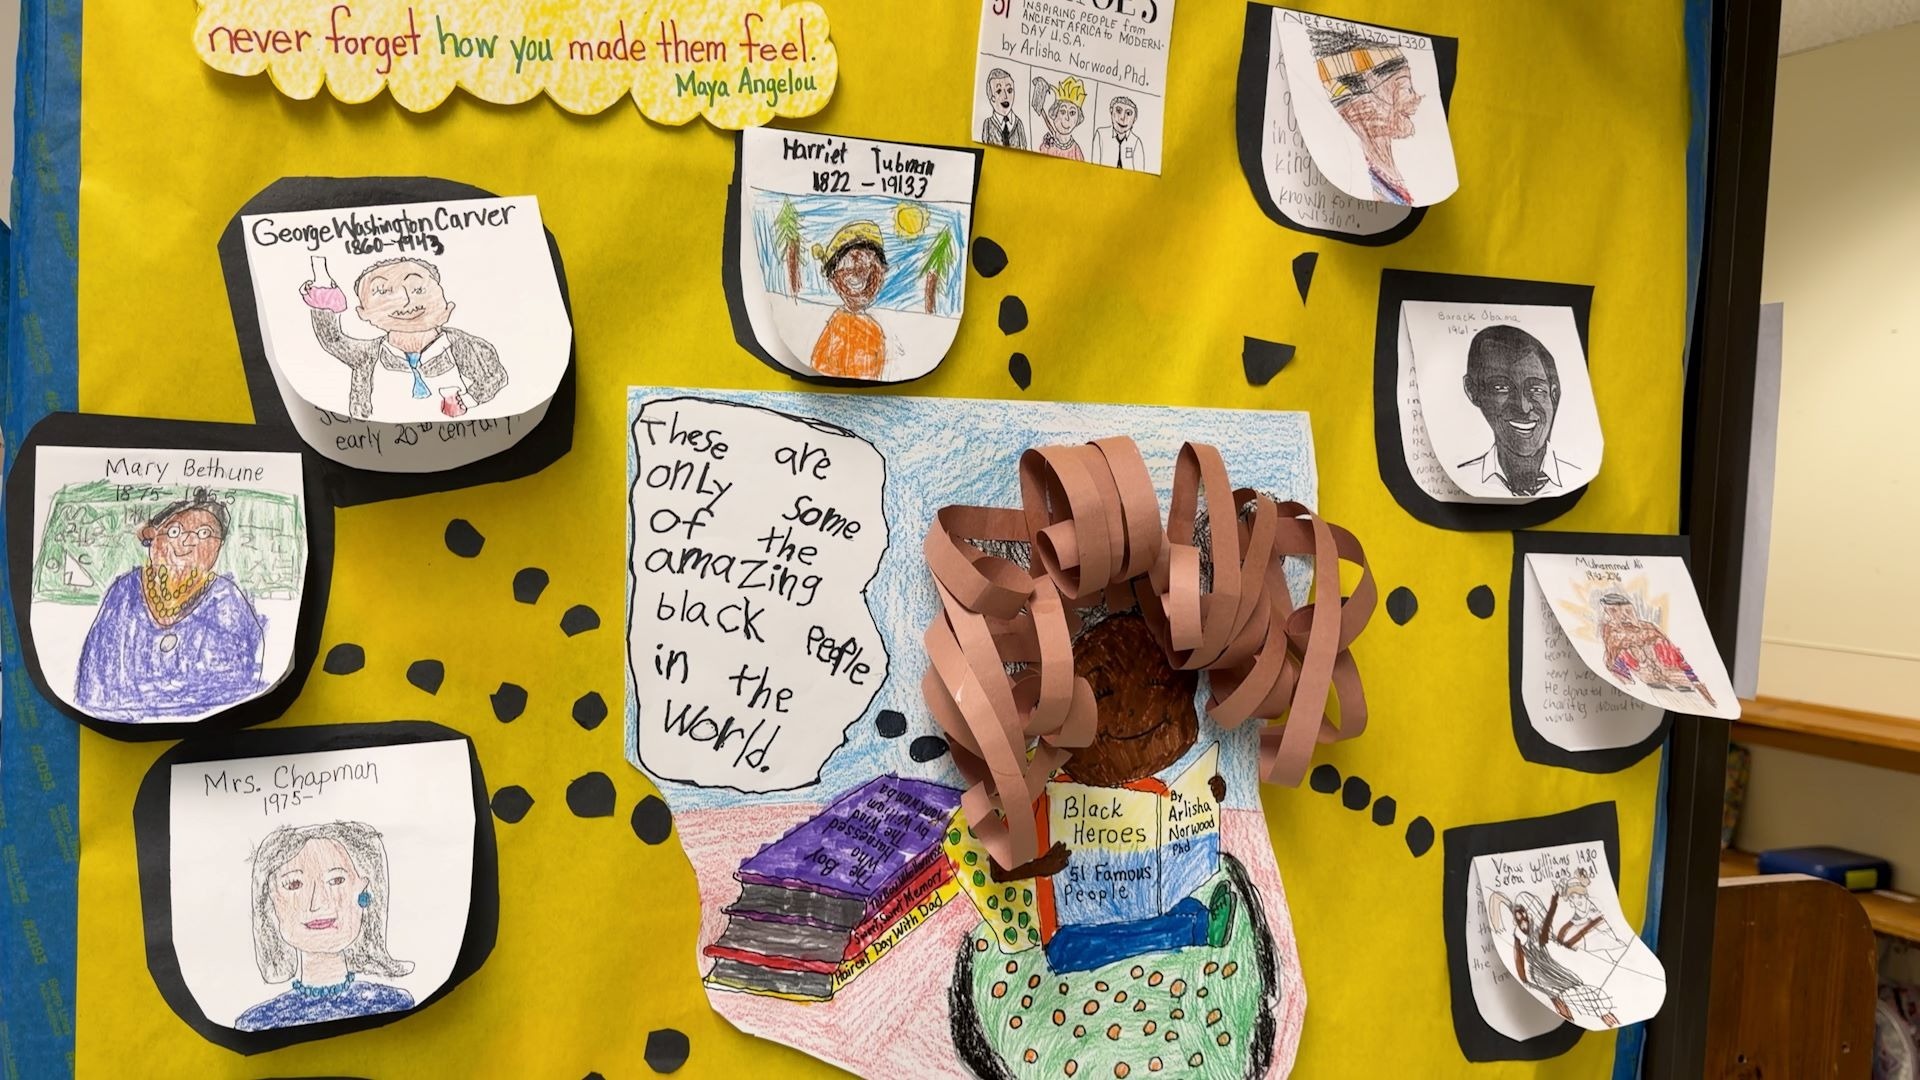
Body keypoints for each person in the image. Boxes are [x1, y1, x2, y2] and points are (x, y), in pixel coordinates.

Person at [73, 490, 266, 721]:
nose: (188, 541)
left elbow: (238, 688)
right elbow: (95, 681)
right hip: (122, 721)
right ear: (151, 538)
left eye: (205, 533)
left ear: (219, 545)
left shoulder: (228, 599)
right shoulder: (124, 592)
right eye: (174, 531)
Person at [235, 821, 416, 1031]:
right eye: (294, 884)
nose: (318, 902)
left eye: (336, 880)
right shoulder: (256, 1024)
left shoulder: (395, 1006)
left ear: (363, 891)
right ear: (272, 902)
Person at [301, 258, 506, 420]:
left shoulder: (462, 346)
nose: (405, 301)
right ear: (364, 312)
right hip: (377, 447)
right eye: (383, 292)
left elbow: (493, 376)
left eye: (418, 289)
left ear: (442, 300)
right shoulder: (369, 356)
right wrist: (323, 291)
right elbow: (333, 340)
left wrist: (468, 401)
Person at [1456, 324, 1584, 497]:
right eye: (1501, 387)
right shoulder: (1459, 481)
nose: (1523, 408)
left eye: (1536, 390)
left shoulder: (1580, 479)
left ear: (1554, 395)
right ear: (1473, 392)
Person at [1310, 27, 1421, 204]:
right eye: (1405, 88)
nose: (1416, 98)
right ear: (1358, 100)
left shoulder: (1390, 179)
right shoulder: (1350, 177)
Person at [1598, 593, 1718, 707]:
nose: (1623, 617)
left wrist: (1694, 680)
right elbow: (1621, 675)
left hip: (1681, 685)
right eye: (1614, 612)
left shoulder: (1651, 630)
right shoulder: (1613, 641)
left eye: (1628, 611)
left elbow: (1677, 657)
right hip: (1651, 692)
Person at [808, 221, 890, 379]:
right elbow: (820, 367)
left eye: (867, 269)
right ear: (835, 279)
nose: (859, 276)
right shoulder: (836, 325)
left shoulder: (874, 332)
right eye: (850, 269)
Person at [1029, 75, 1087, 161]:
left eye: (1072, 113)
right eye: (1063, 112)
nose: (1067, 118)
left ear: (1078, 119)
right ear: (1054, 114)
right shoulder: (1047, 145)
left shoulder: (1076, 151)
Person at [1091, 95, 1145, 170]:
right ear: (1111, 111)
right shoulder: (1100, 135)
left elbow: (1140, 172)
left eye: (1128, 113)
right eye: (1118, 111)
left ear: (1134, 119)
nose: (1122, 117)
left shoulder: (1136, 142)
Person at [979, 67, 1028, 149]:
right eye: (999, 91)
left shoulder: (1018, 124)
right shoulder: (987, 124)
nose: (1005, 96)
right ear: (991, 97)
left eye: (1009, 90)